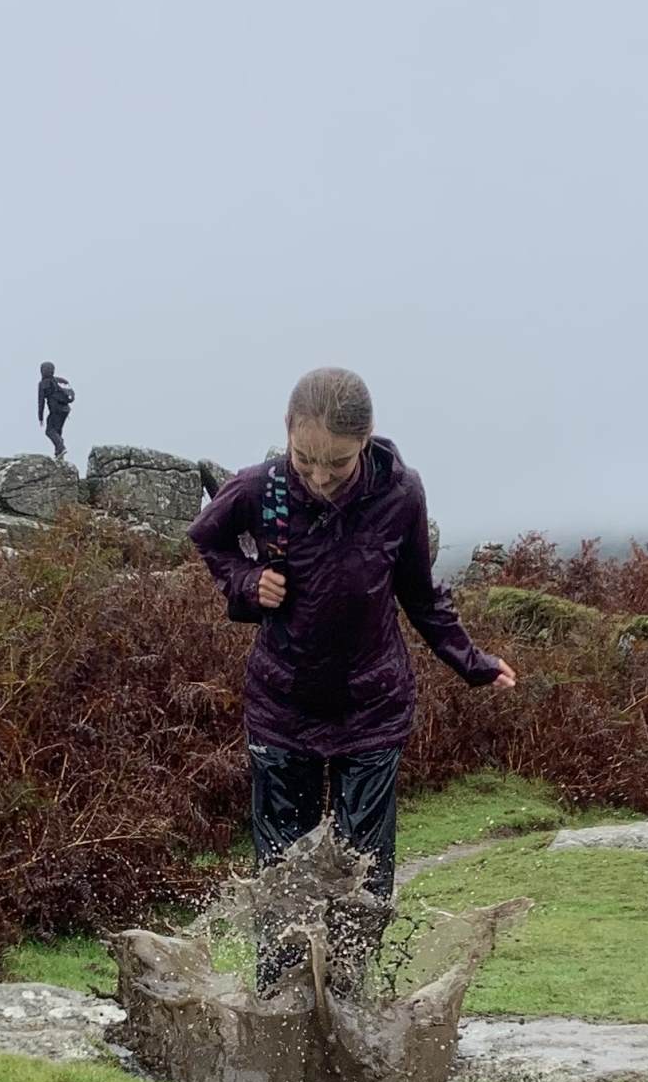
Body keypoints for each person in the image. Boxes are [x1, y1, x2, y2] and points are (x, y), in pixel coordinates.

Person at [189, 367, 516, 992]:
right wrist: (246, 583)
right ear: (287, 431)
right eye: (305, 459)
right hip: (282, 707)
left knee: (365, 872)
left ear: (365, 441)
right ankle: (278, 1003)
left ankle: (346, 999)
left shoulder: (400, 494)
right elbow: (210, 541)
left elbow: (419, 592)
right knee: (282, 873)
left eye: (337, 463)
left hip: (372, 708)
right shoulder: (258, 488)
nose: (319, 476)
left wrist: (471, 660)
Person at [37, 361, 74, 459]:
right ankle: (58, 454)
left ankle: (61, 448)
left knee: (49, 431)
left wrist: (40, 417)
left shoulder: (43, 383)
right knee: (57, 431)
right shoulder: (60, 380)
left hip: (56, 410)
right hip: (65, 410)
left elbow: (41, 402)